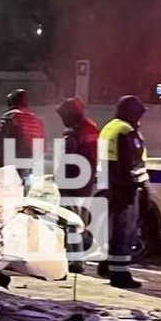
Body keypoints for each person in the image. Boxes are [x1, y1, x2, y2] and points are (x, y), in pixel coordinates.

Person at [98, 95, 150, 289]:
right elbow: (133, 164)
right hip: (125, 188)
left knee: (112, 230)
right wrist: (141, 189)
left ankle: (107, 266)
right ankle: (120, 275)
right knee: (124, 232)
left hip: (109, 185)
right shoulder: (126, 131)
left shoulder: (110, 127)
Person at [56, 97, 99, 273]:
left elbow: (67, 160)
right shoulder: (92, 128)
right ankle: (80, 256)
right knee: (80, 221)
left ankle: (75, 260)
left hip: (72, 183)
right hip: (86, 182)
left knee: (69, 221)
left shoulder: (72, 134)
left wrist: (59, 180)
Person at [0, 89, 45, 190]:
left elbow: (2, 139)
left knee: (9, 189)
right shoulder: (35, 119)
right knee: (22, 186)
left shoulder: (11, 116)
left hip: (12, 159)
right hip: (29, 159)